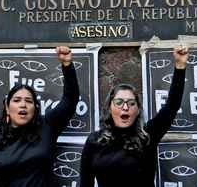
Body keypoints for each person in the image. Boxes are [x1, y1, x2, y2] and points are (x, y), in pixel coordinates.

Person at [80, 46, 189, 187]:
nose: (125, 107)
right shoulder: (94, 141)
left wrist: (180, 66)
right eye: (119, 102)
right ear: (110, 108)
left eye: (131, 103)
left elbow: (171, 107)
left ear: (138, 110)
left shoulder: (147, 136)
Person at [0, 46, 79, 187]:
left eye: (28, 101)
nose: (23, 105)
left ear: (35, 108)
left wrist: (67, 65)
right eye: (17, 100)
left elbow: (70, 100)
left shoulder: (47, 127)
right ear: (7, 108)